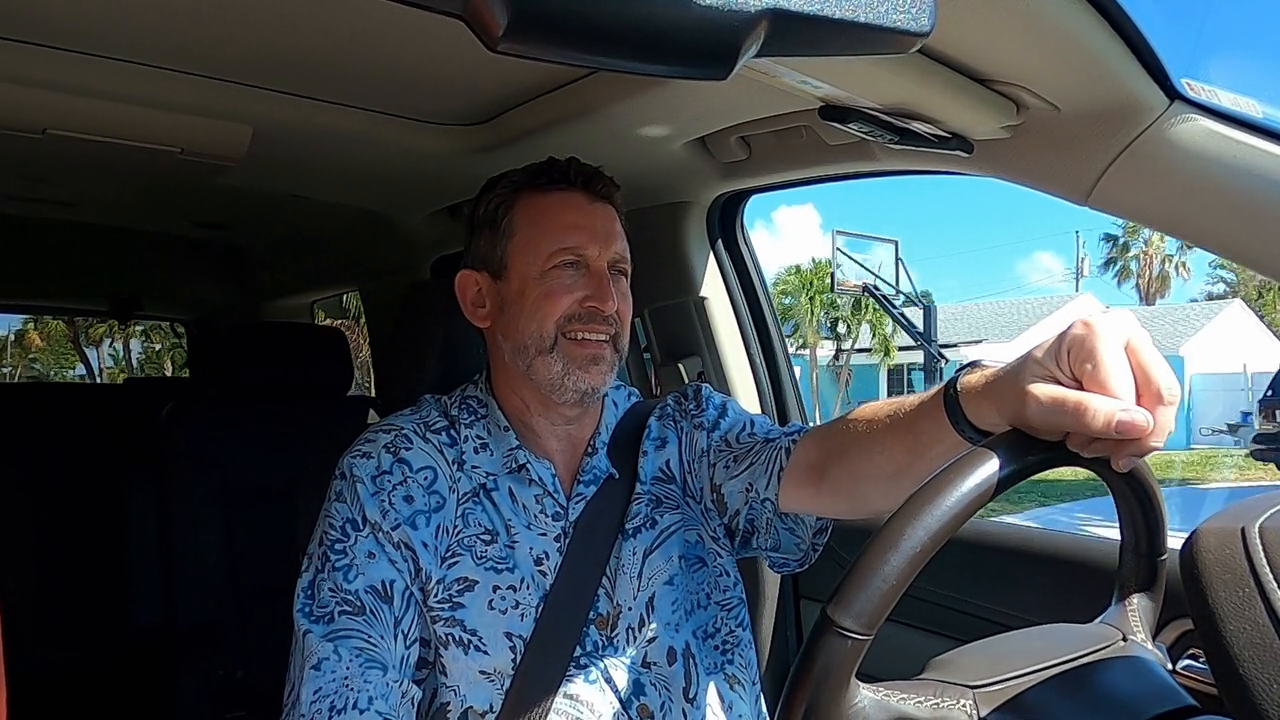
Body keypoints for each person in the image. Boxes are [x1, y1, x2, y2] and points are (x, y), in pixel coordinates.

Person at [282, 156, 1180, 719]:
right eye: (568, 267)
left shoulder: (683, 434)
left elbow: (825, 465)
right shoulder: (391, 479)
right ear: (480, 299)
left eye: (619, 271)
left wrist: (988, 397)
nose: (605, 299)